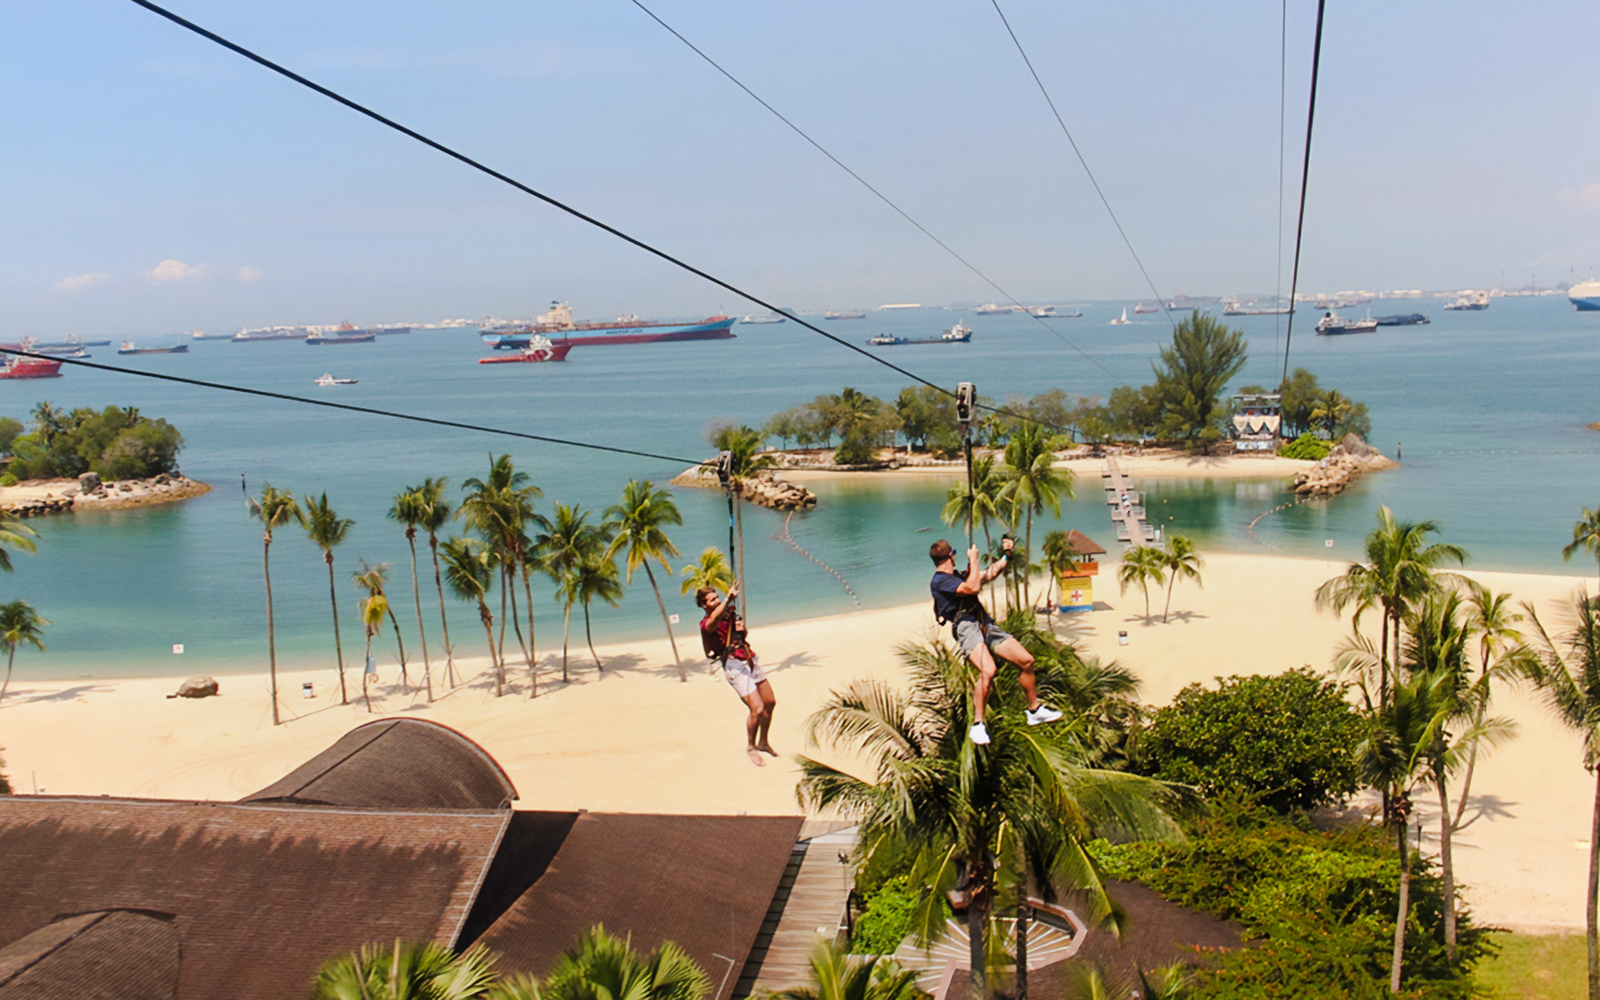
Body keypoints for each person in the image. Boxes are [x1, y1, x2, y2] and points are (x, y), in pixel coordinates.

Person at [928, 538, 1062, 745]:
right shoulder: (940, 581)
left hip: (984, 623)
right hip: (966, 626)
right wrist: (973, 559)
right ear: (951, 555)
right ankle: (978, 725)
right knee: (988, 670)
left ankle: (1034, 710)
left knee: (1026, 660)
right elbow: (972, 588)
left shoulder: (957, 577)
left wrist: (1006, 555)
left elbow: (988, 574)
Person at [698, 583, 777, 767]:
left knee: (770, 702)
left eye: (717, 597)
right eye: (712, 600)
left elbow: (741, 635)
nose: (716, 601)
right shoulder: (706, 624)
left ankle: (763, 741)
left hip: (748, 658)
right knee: (757, 709)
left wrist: (741, 630)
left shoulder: (728, 614)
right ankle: (751, 747)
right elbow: (713, 622)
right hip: (734, 666)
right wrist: (728, 599)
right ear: (704, 605)